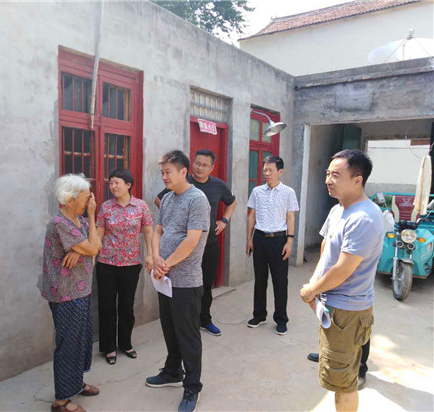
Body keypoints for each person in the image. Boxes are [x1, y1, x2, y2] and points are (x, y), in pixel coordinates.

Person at [300, 150, 383, 412]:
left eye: (336, 175)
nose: (328, 180)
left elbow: (343, 269)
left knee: (343, 383)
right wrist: (314, 283)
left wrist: (312, 290)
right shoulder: (339, 209)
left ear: (358, 180)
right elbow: (326, 246)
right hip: (333, 306)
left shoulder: (364, 218)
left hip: (347, 312)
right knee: (337, 374)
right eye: (328, 173)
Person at [145, 150, 210, 412]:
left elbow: (192, 240)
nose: (164, 177)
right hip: (165, 279)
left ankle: (192, 386)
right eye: (162, 172)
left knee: (188, 336)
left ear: (183, 171)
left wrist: (166, 264)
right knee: (169, 329)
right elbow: (158, 230)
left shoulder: (198, 200)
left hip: (186, 281)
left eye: (168, 172)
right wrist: (155, 257)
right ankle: (173, 371)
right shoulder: (168, 199)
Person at [155, 149, 237, 336]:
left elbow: (232, 202)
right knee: (179, 288)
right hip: (181, 249)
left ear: (211, 168)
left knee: (205, 284)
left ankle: (205, 319)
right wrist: (175, 220)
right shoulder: (181, 183)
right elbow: (159, 200)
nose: (200, 168)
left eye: (205, 165)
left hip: (208, 244)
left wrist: (224, 221)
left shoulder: (217, 185)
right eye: (197, 163)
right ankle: (183, 323)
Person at [38, 174, 101, 412]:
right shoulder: (60, 223)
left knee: (81, 340)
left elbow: (95, 245)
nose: (89, 202)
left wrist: (79, 250)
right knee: (68, 344)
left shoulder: (78, 220)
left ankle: (76, 383)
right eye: (85, 198)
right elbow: (93, 247)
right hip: (66, 293)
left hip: (81, 289)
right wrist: (92, 220)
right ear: (71, 199)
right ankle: (61, 400)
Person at [94, 169, 153, 365]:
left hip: (130, 264)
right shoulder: (106, 207)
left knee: (127, 306)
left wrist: (150, 254)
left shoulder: (141, 206)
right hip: (106, 264)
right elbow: (99, 233)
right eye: (110, 183)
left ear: (128, 185)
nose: (113, 186)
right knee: (107, 306)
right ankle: (109, 347)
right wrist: (92, 257)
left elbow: (148, 231)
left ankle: (126, 343)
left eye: (116, 182)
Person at [246, 155, 299, 335]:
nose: (266, 173)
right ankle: (259, 315)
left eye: (270, 170)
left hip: (279, 240)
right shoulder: (257, 191)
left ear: (280, 171)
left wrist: (289, 241)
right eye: (265, 170)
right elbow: (252, 216)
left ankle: (281, 319)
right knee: (260, 280)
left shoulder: (288, 192)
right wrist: (249, 239)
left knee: (280, 281)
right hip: (260, 239)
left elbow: (290, 217)